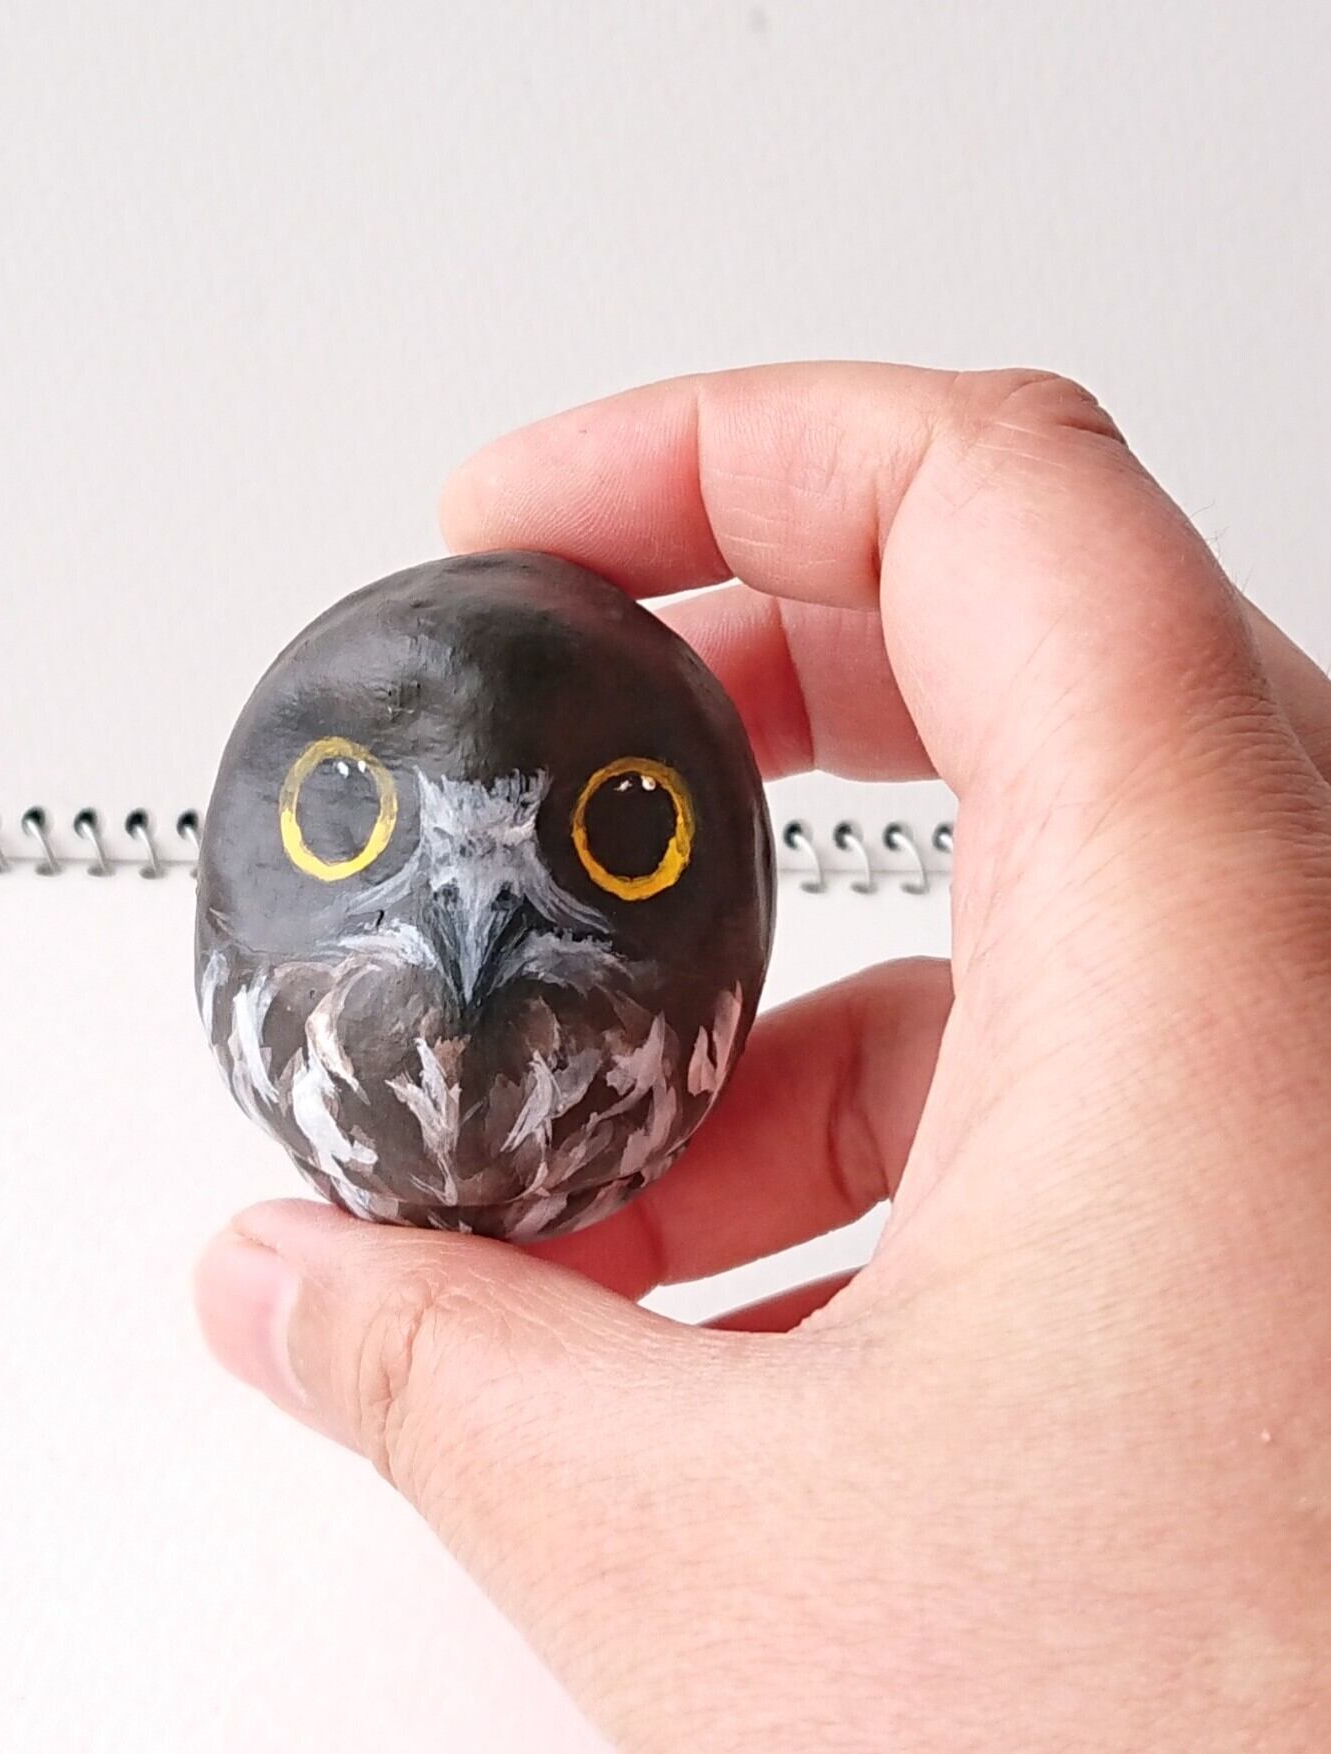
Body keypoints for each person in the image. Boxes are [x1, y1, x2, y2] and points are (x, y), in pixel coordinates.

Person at [193, 364, 1331, 1751]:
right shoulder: (302, 1020)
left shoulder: (636, 1049)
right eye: (346, 811)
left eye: (621, 831)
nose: (468, 918)